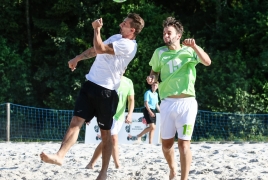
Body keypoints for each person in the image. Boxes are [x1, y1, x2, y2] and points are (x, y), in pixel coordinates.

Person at [40, 13, 144, 180]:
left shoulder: (129, 46)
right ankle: (59, 156)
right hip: (90, 85)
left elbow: (100, 48)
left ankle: (103, 173)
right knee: (76, 122)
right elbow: (96, 51)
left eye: (124, 23)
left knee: (106, 134)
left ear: (132, 30)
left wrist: (96, 30)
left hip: (107, 92)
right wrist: (78, 58)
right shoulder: (117, 36)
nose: (120, 24)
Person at [146, 17, 211, 180]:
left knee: (184, 144)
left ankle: (184, 178)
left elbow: (207, 62)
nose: (165, 36)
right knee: (166, 145)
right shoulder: (159, 52)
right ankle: (173, 168)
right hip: (167, 103)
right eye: (164, 33)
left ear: (178, 35)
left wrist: (195, 46)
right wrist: (152, 78)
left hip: (187, 103)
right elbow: (154, 72)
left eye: (169, 33)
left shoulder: (189, 50)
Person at [86, 74, 134, 169]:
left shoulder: (128, 82)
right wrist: (91, 113)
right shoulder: (108, 79)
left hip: (119, 116)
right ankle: (117, 165)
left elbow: (131, 100)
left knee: (107, 140)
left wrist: (130, 114)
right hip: (107, 114)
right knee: (113, 139)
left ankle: (91, 163)